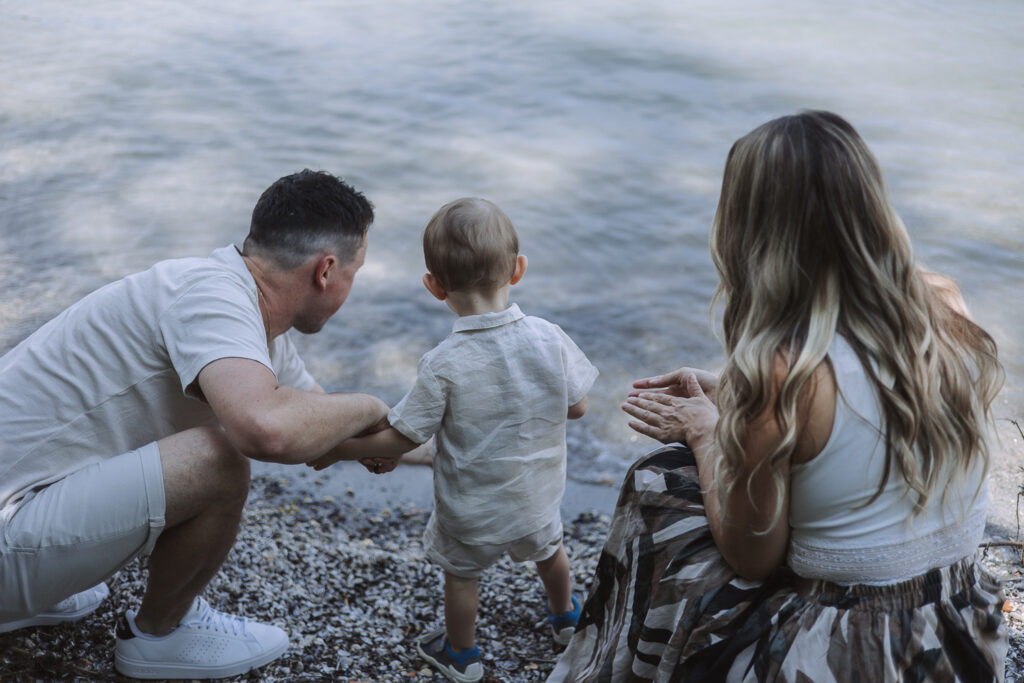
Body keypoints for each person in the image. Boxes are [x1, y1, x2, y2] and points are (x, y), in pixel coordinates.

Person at [548, 111, 1007, 682]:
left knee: (658, 479)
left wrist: (707, 431)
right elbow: (864, 426)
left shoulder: (781, 369)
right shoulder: (942, 303)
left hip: (851, 648)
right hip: (957, 626)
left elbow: (751, 557)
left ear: (752, 229)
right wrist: (734, 405)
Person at [0, 169, 395, 679]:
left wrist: (450, 443)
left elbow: (327, 432)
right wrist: (369, 402)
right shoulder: (212, 300)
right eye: (354, 272)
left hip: (15, 514)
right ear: (326, 270)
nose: (351, 285)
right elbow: (268, 430)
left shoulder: (237, 312)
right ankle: (161, 635)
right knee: (218, 459)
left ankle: (37, 592)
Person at [309, 197, 599, 683]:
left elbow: (403, 436)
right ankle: (565, 618)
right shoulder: (549, 337)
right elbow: (579, 406)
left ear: (434, 286)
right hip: (538, 497)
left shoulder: (444, 363)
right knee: (551, 553)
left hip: (471, 510)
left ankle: (462, 655)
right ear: (518, 270)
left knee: (463, 577)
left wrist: (339, 448)